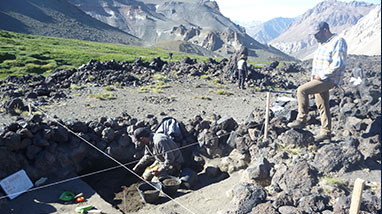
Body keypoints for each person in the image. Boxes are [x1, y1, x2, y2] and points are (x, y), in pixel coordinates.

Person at [287, 21, 347, 142]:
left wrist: (321, 75)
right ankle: (326, 132)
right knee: (323, 105)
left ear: (325, 31)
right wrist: (314, 79)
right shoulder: (323, 42)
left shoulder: (338, 41)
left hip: (328, 78)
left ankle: (301, 119)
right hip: (319, 78)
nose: (315, 37)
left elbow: (338, 63)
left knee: (301, 90)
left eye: (317, 34)